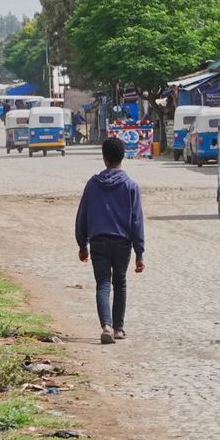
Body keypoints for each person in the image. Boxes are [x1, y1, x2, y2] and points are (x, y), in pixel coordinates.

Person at [76, 137, 146, 344]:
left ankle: (106, 326)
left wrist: (82, 245)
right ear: (122, 158)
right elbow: (137, 221)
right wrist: (139, 253)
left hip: (98, 242)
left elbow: (83, 215)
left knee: (103, 284)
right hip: (123, 243)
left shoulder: (92, 185)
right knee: (120, 283)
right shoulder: (131, 186)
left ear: (104, 159)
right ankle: (118, 329)